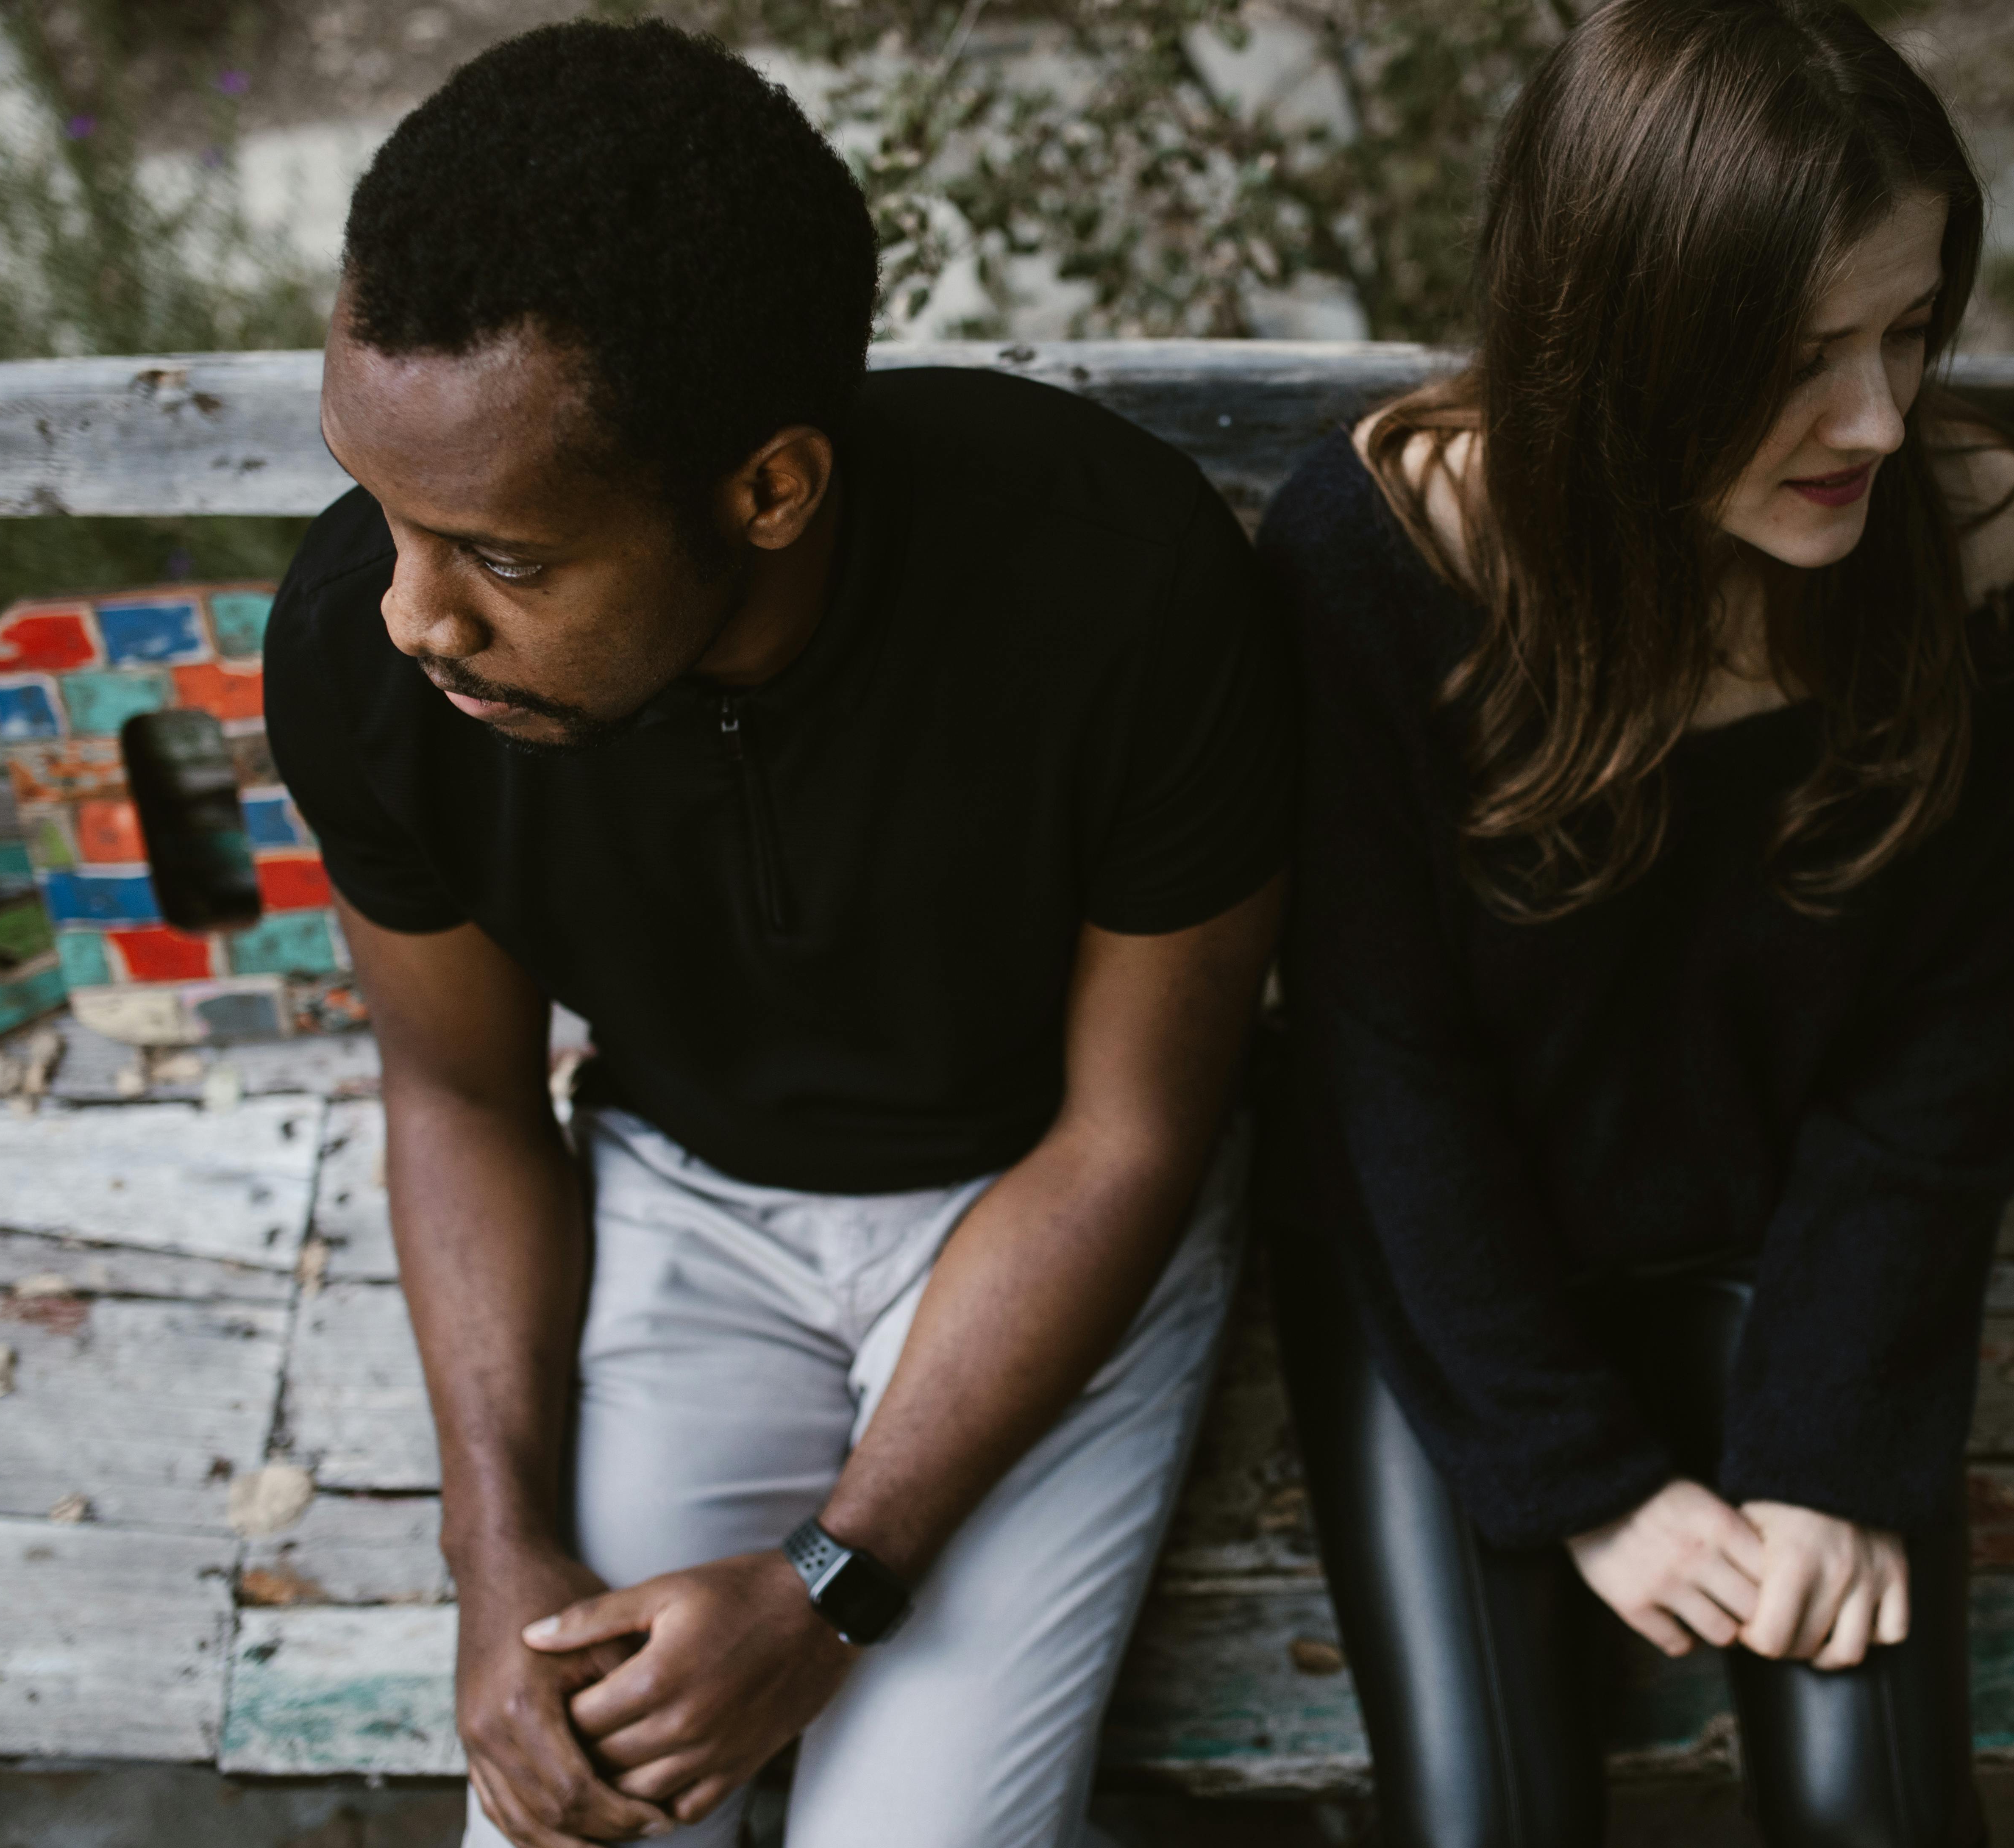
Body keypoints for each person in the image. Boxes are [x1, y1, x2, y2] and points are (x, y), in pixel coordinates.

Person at [261, 22, 1293, 1848]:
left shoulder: (1123, 586)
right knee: (570, 1812)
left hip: (1041, 1211)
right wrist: (496, 1552)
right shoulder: (368, 642)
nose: (414, 615)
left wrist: (837, 1575)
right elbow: (462, 1092)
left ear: (768, 490)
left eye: (501, 556)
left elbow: (1135, 1127)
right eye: (383, 511)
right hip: (685, 1201)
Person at [1257, 3, 2014, 1843]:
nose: (1874, 415)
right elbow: (1383, 1067)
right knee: (1490, 1822)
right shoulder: (1384, 553)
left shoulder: (1985, 554)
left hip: (1790, 1256)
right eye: (1799, 355)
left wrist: (1831, 1452)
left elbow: (1934, 1040)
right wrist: (1590, 1483)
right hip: (1453, 1278)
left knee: (1879, 1817)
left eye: (1911, 329)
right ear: (1624, 336)